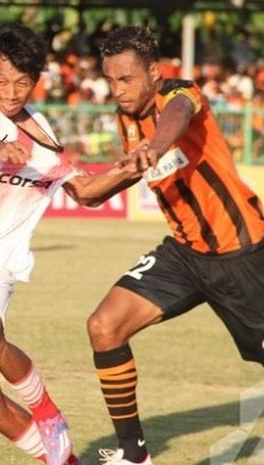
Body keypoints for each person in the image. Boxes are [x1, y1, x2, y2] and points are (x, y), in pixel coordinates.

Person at [0, 23, 140, 465]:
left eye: (20, 82)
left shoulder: (41, 136)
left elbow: (85, 191)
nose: (10, 92)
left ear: (35, 81)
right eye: (1, 80)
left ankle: (48, 413)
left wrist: (134, 168)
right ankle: (65, 461)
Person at [87, 26, 264, 465]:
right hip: (183, 254)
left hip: (241, 252)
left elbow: (176, 118)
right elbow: (125, 173)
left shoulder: (182, 95)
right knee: (104, 326)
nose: (118, 89)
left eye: (126, 79)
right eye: (111, 80)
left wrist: (155, 145)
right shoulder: (124, 117)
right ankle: (134, 457)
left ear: (153, 72)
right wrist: (84, 188)